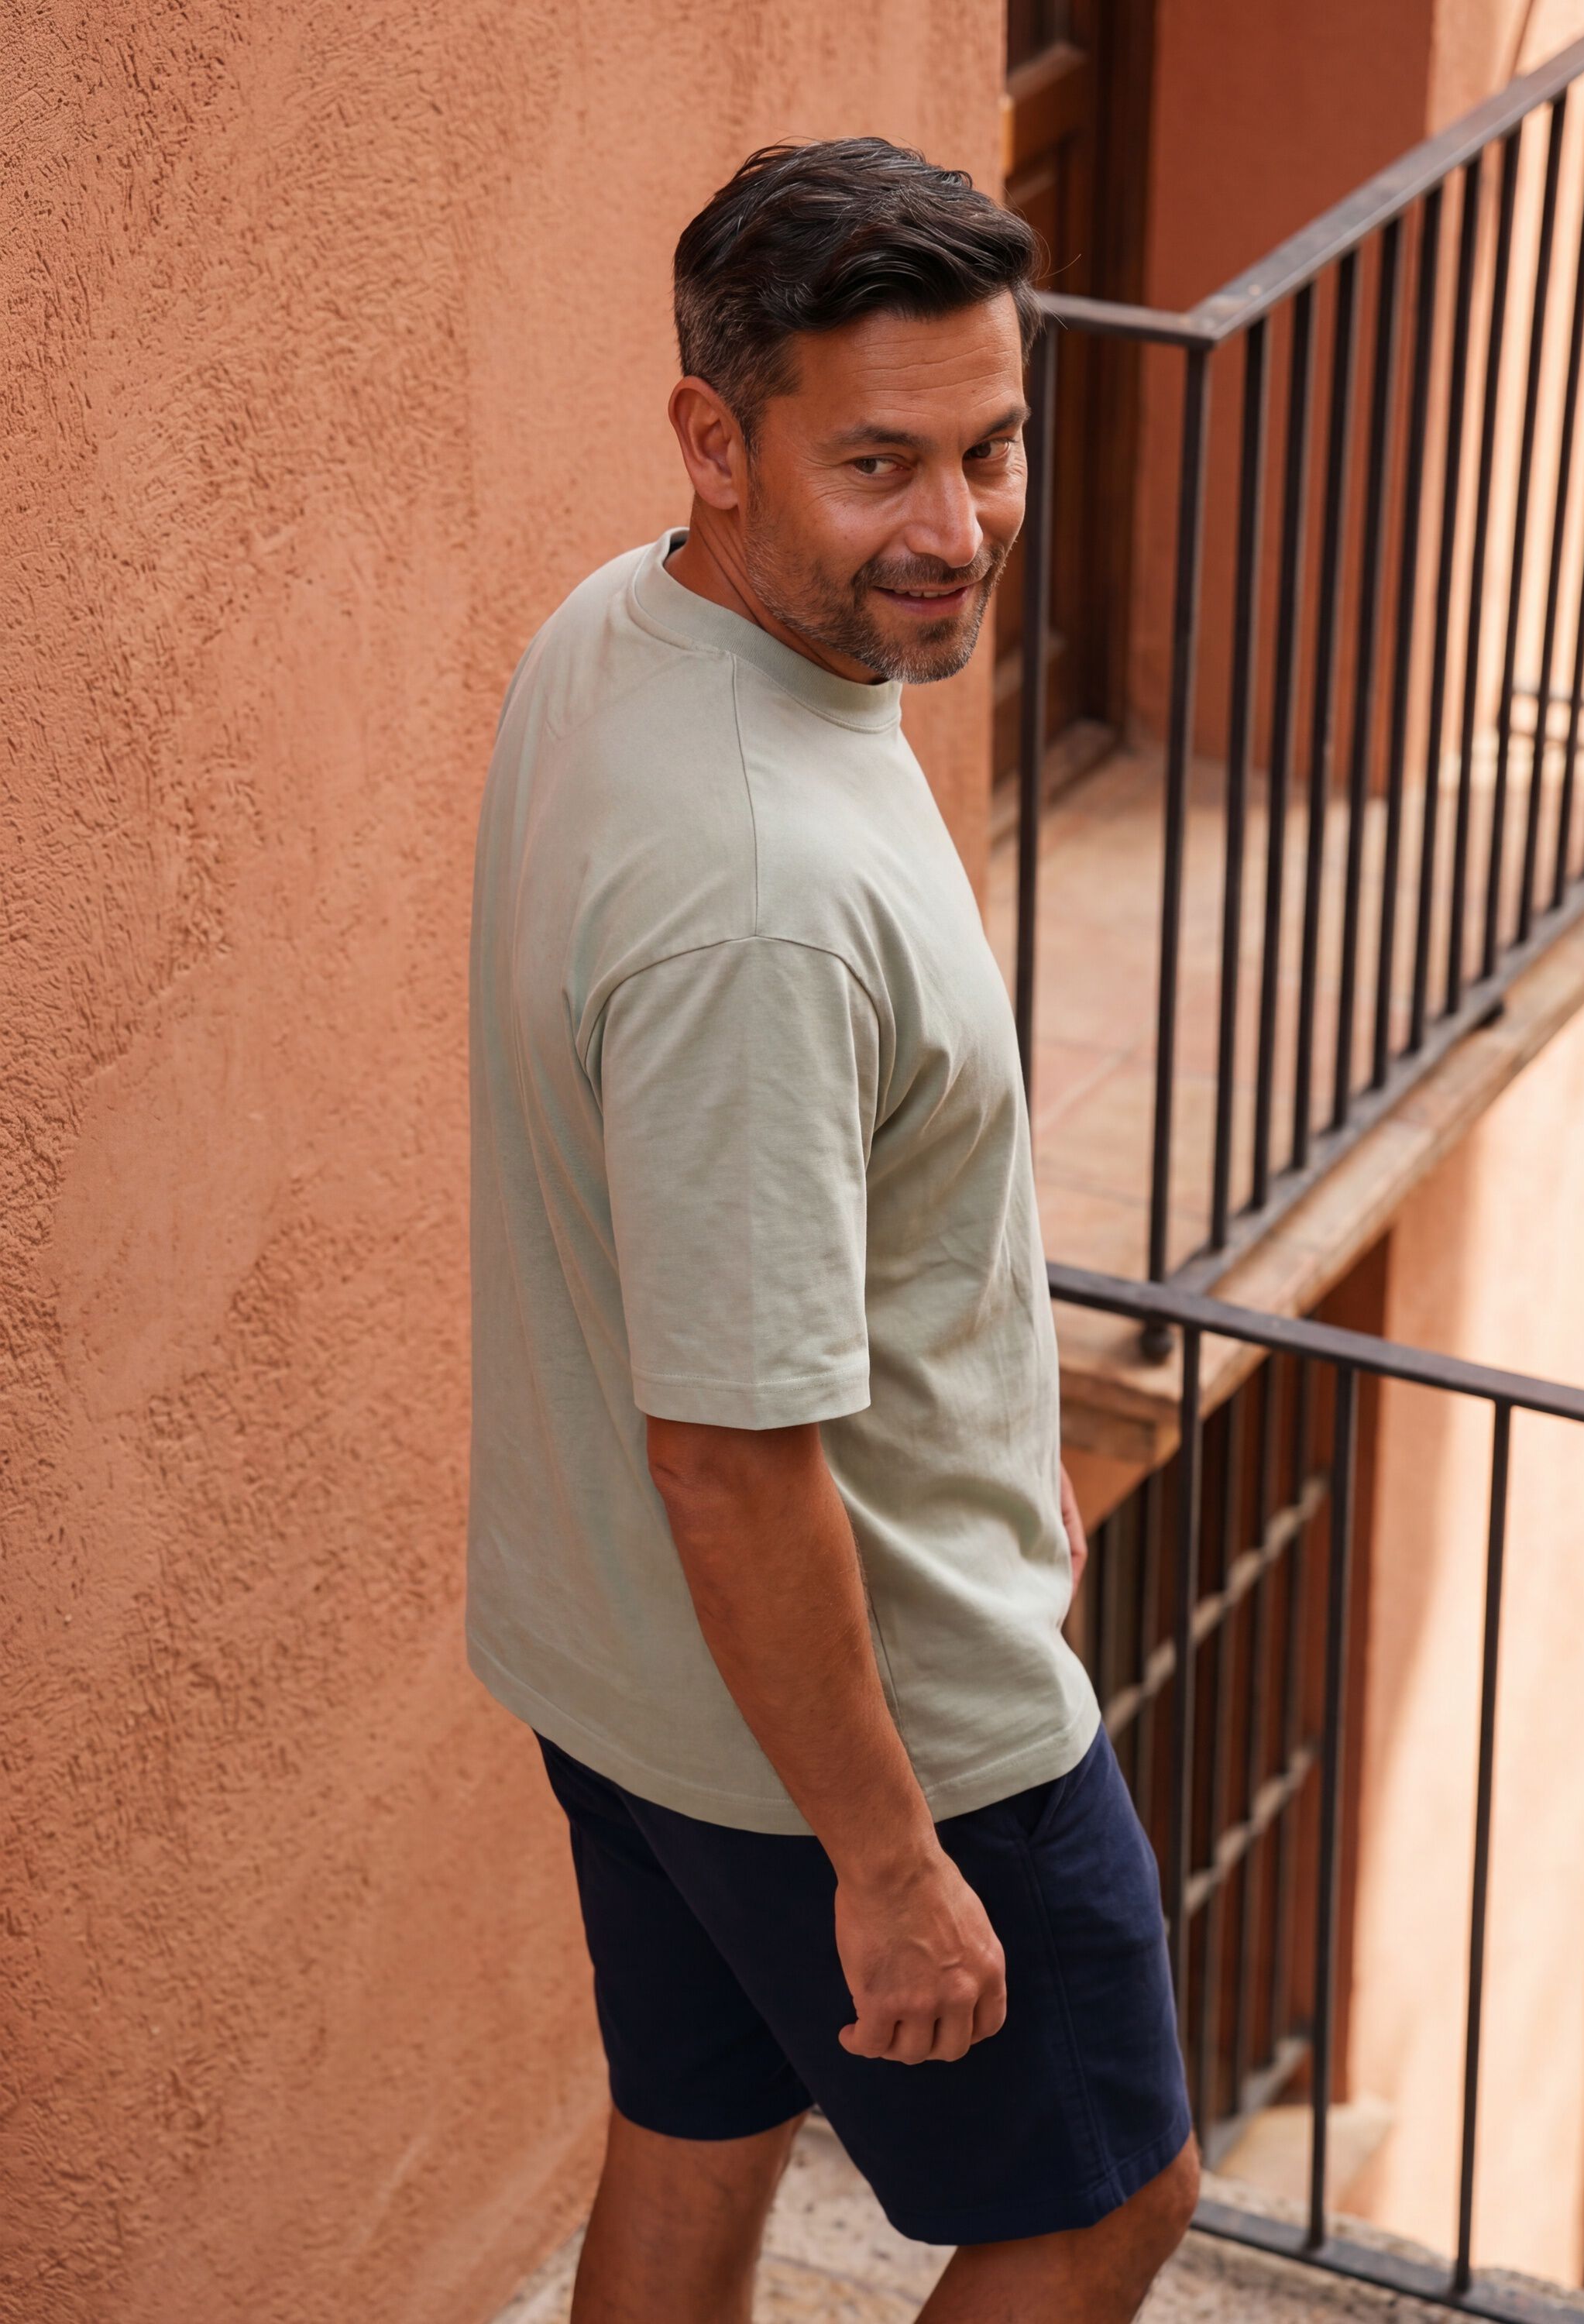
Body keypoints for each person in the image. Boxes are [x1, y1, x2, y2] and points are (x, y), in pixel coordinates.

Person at [466, 137, 1198, 2322]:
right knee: (1101, 2202)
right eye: (878, 463)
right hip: (865, 1727)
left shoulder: (628, 626)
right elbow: (726, 1448)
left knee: (692, 2142)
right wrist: (888, 1858)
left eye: (991, 447)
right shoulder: (758, 896)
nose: (955, 528)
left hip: (627, 1666)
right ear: (716, 440)